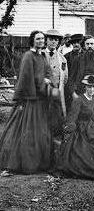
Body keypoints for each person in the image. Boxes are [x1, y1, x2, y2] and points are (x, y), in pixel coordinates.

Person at [0, 30, 53, 174]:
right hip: (31, 99)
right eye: (38, 39)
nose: (41, 41)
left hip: (41, 99)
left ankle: (40, 162)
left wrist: (48, 81)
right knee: (26, 131)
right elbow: (26, 78)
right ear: (32, 41)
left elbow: (48, 72)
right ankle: (19, 163)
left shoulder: (42, 56)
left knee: (40, 131)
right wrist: (43, 82)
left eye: (42, 39)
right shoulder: (28, 56)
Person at [68, 35, 94, 100]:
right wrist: (73, 93)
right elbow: (71, 79)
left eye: (92, 44)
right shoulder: (77, 60)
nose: (89, 46)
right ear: (84, 46)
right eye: (87, 44)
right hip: (81, 92)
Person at [44, 29, 68, 136]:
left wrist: (60, 86)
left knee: (56, 112)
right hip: (43, 90)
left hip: (57, 90)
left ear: (58, 42)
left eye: (56, 40)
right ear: (46, 41)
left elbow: (65, 75)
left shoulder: (62, 58)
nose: (53, 42)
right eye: (51, 39)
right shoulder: (39, 55)